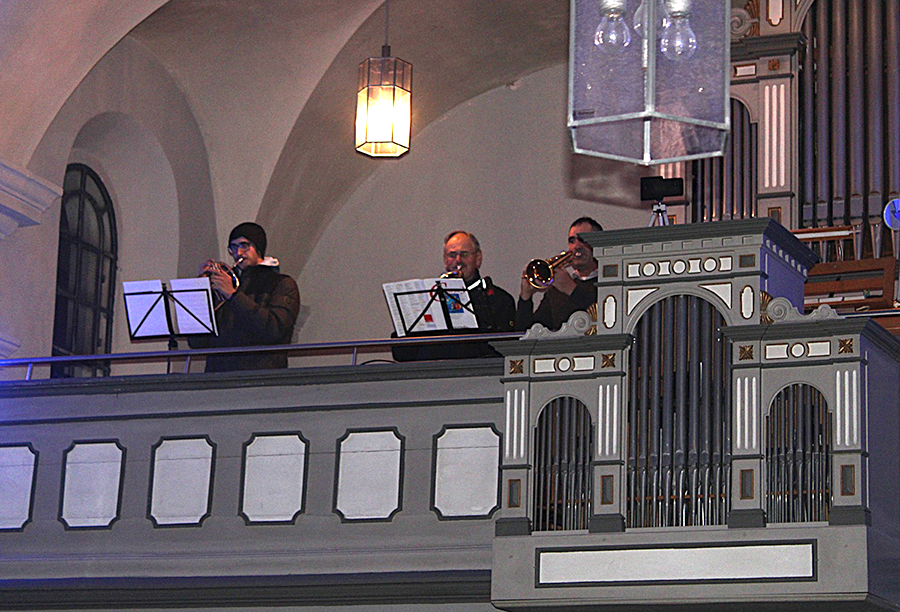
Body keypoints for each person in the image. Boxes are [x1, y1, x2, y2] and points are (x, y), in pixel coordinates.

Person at [189, 222, 300, 372]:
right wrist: (202, 290)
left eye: (244, 245)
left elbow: (274, 330)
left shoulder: (282, 283)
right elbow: (197, 342)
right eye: (233, 247)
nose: (238, 253)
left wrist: (233, 295)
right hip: (219, 375)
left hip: (260, 374)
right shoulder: (229, 283)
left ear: (258, 247)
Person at [392, 231, 515, 361]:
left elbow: (504, 350)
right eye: (452, 255)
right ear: (445, 260)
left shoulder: (500, 300)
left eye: (464, 254)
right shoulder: (427, 298)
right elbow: (402, 353)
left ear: (478, 258)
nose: (458, 261)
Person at [515, 217, 602, 332]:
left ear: (599, 244)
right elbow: (527, 332)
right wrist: (525, 297)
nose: (576, 246)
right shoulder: (556, 291)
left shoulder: (608, 282)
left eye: (583, 240)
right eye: (572, 241)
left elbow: (605, 317)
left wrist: (571, 289)